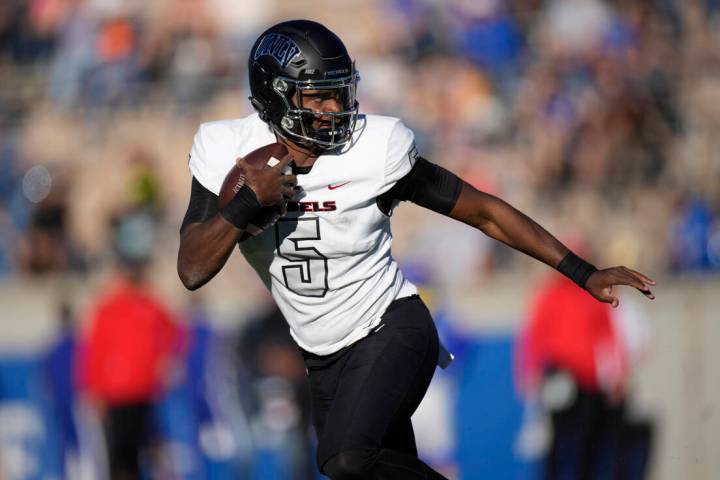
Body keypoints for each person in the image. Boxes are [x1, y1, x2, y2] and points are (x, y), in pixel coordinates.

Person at [177, 20, 656, 480]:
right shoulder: (227, 151)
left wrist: (580, 270)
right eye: (318, 95)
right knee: (363, 469)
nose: (333, 108)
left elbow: (482, 210)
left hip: (392, 325)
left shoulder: (374, 147)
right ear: (276, 98)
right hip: (321, 350)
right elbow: (192, 268)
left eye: (338, 92)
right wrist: (246, 203)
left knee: (345, 458)